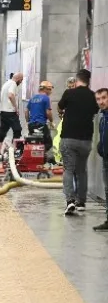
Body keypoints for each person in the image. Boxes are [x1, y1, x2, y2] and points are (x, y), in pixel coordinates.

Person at [58, 69, 100, 215]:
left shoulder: (69, 93)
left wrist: (63, 112)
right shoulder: (93, 96)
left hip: (68, 138)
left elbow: (60, 106)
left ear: (77, 80)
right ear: (89, 81)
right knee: (82, 171)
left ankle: (70, 201)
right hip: (86, 140)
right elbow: (95, 112)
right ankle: (81, 202)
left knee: (68, 170)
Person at [0, 73, 24, 155]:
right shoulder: (13, 84)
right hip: (10, 112)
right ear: (18, 78)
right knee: (17, 130)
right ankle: (13, 150)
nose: (21, 82)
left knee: (2, 132)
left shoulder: (6, 83)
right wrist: (16, 107)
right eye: (21, 80)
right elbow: (11, 95)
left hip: (3, 111)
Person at [25, 81, 54, 152]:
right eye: (50, 89)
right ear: (46, 89)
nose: (51, 92)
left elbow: (26, 111)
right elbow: (48, 112)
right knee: (48, 143)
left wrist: (28, 121)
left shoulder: (33, 98)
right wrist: (51, 121)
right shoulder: (46, 98)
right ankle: (40, 157)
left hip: (31, 125)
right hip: (40, 124)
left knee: (33, 142)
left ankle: (33, 157)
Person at [93, 88, 108, 231]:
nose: (101, 102)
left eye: (104, 98)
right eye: (98, 99)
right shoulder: (103, 118)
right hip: (106, 160)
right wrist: (100, 148)